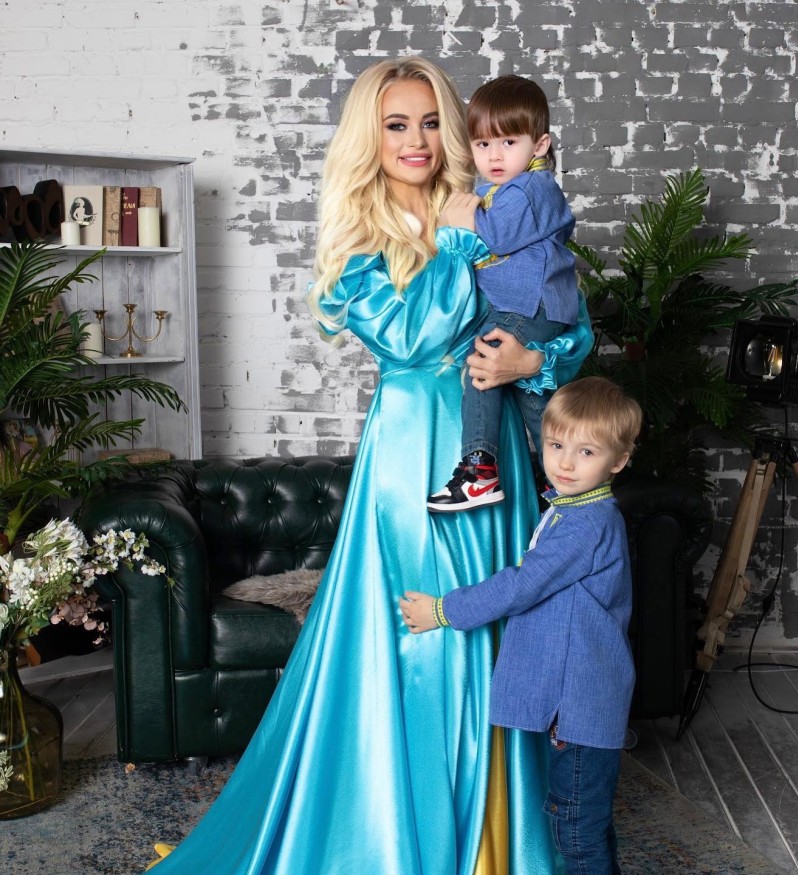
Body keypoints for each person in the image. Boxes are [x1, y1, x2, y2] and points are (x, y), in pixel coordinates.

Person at [146, 57, 593, 874]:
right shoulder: (361, 232)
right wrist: (457, 240)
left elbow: (569, 319)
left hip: (498, 451)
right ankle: (418, 840)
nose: (416, 139)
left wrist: (532, 362)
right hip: (416, 459)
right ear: (370, 137)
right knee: (432, 639)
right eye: (395, 125)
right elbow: (413, 338)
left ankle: (502, 842)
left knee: (504, 625)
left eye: (430, 121)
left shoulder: (502, 201)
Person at [402, 376, 643, 875]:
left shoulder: (586, 523)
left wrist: (443, 610)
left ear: (618, 461)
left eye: (586, 452)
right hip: (580, 701)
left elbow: (521, 585)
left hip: (581, 705)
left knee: (577, 831)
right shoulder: (573, 510)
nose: (565, 463)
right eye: (556, 446)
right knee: (586, 825)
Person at [427, 75, 580, 514]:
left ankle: (479, 469)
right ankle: (564, 483)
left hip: (530, 303)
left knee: (483, 364)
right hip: (531, 305)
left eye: (508, 142)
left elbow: (494, 236)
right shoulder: (500, 189)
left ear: (539, 145)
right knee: (532, 397)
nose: (494, 155)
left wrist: (457, 219)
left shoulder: (530, 188)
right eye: (482, 144)